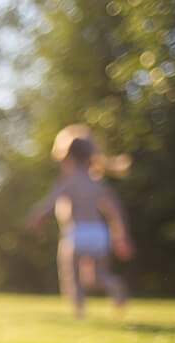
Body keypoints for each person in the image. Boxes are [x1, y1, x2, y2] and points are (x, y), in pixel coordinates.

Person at [25, 124, 134, 319]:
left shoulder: (68, 182)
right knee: (98, 277)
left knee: (72, 276)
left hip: (75, 233)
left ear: (67, 157)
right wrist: (121, 236)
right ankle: (115, 287)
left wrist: (37, 218)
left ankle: (79, 312)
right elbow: (115, 210)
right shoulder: (97, 183)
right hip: (99, 233)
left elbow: (49, 204)